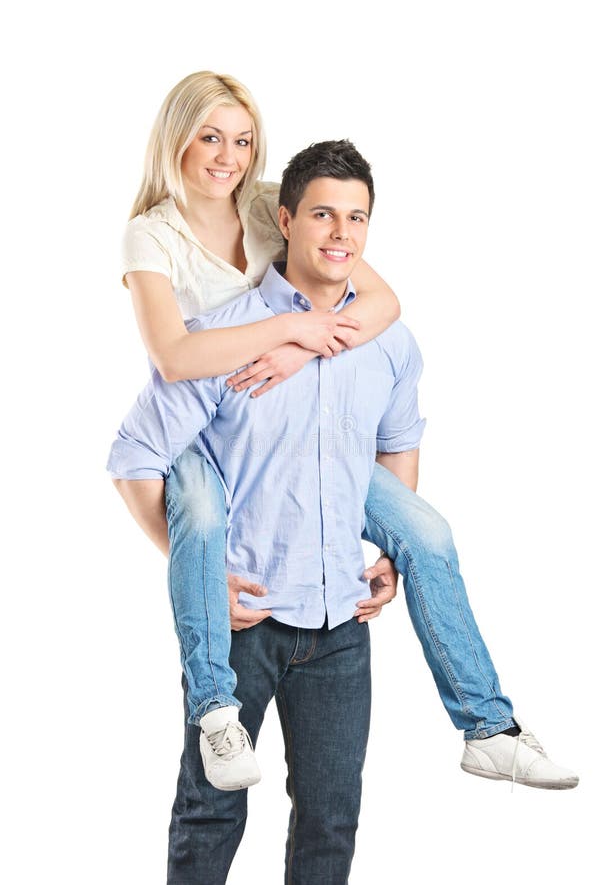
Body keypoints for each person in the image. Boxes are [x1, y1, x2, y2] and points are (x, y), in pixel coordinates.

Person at [109, 140, 578, 883]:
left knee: (331, 823)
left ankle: (489, 728)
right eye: (323, 214)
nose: (340, 233)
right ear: (284, 220)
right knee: (208, 817)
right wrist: (191, 571)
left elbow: (398, 444)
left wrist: (395, 550)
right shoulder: (222, 340)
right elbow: (134, 457)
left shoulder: (388, 341)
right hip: (248, 622)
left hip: (338, 627)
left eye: (356, 218)